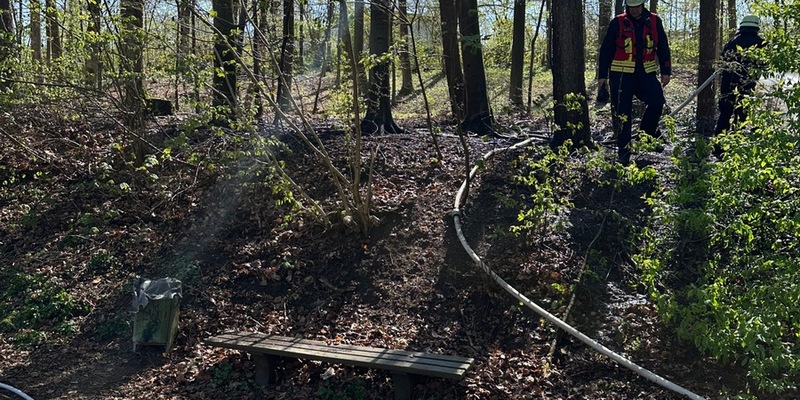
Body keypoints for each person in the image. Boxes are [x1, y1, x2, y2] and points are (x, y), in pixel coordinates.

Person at [597, 0, 672, 165]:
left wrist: (666, 71)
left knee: (657, 102)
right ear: (627, 6)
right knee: (623, 114)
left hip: (646, 73)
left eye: (638, 6)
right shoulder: (617, 22)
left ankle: (646, 133)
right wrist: (602, 75)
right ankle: (624, 153)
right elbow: (606, 49)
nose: (636, 10)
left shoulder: (654, 21)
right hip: (621, 76)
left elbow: (663, 46)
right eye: (632, 7)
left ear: (643, 4)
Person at [713, 15, 765, 142]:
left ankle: (718, 145)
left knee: (724, 115)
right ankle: (737, 145)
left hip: (727, 86)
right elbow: (765, 65)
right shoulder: (761, 43)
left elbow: (722, 62)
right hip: (747, 87)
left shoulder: (732, 42)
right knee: (742, 115)